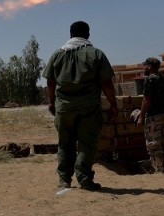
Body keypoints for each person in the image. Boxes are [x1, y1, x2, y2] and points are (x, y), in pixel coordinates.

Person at [43, 21, 118, 191]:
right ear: (88, 35)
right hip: (89, 108)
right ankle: (84, 178)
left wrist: (51, 103)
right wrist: (113, 104)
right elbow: (106, 83)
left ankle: (64, 180)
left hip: (64, 109)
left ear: (70, 34)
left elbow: (50, 81)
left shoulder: (57, 55)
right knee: (87, 143)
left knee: (65, 144)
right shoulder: (96, 54)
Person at [136, 57, 164, 172]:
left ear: (149, 66)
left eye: (145, 65)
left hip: (154, 117)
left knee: (154, 146)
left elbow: (147, 99)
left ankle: (160, 172)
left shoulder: (149, 80)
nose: (143, 68)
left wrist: (141, 116)